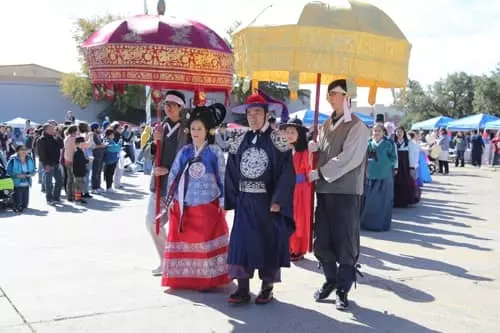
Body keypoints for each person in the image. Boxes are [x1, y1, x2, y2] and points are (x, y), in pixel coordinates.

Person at [225, 94, 295, 305]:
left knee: (268, 244)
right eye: (249, 113)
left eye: (257, 113)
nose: (253, 117)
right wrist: (232, 199)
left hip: (267, 202)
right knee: (241, 244)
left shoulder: (278, 140)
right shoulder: (239, 140)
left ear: (266, 114)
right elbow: (231, 171)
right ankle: (243, 289)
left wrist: (278, 201)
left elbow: (286, 174)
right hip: (245, 200)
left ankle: (267, 288)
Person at [308, 79, 370, 310]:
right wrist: (314, 147)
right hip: (324, 191)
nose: (330, 98)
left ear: (347, 96)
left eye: (335, 93)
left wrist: (322, 172)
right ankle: (330, 280)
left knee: (345, 243)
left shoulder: (357, 126)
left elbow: (349, 158)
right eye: (329, 94)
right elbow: (325, 150)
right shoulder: (325, 124)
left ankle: (343, 288)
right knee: (322, 240)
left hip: (346, 191)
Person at [161, 103, 230, 290]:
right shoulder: (184, 151)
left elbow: (222, 176)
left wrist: (224, 200)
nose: (195, 132)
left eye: (199, 129)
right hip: (185, 203)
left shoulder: (214, 152)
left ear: (208, 131)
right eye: (192, 128)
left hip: (208, 203)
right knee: (186, 240)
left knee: (206, 242)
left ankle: (208, 279)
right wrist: (170, 200)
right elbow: (174, 175)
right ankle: (184, 278)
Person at [145, 90, 188, 276]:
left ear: (180, 107)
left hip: (178, 185)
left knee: (180, 226)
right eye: (166, 104)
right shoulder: (160, 127)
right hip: (159, 183)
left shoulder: (188, 129)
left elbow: (189, 156)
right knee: (151, 222)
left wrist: (170, 170)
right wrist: (155, 142)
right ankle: (165, 259)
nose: (168, 108)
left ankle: (179, 262)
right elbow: (149, 153)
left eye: (172, 104)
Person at [281, 118, 312, 261]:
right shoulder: (283, 150)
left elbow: (309, 171)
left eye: (292, 132)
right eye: (287, 132)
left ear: (299, 134)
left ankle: (297, 248)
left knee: (299, 219)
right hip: (286, 189)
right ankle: (286, 246)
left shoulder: (305, 152)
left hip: (300, 189)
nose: (289, 135)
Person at [361, 124, 397, 231]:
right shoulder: (369, 144)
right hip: (370, 176)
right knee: (369, 202)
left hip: (384, 177)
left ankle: (381, 225)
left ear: (383, 133)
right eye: (375, 131)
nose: (376, 133)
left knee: (383, 202)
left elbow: (393, 158)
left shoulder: (388, 144)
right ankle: (367, 224)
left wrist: (385, 164)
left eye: (379, 131)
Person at [37, 123, 64, 204]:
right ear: (46, 130)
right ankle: (49, 198)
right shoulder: (42, 139)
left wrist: (58, 136)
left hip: (56, 162)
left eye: (53, 128)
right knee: (49, 182)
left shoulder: (54, 137)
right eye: (51, 129)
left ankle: (56, 197)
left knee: (59, 180)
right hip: (48, 163)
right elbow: (41, 153)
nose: (53, 130)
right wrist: (46, 164)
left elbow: (61, 146)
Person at [393, 126, 419, 208]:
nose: (399, 133)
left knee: (406, 182)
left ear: (404, 133)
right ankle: (396, 200)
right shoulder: (393, 143)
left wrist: (412, 166)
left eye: (400, 132)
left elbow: (412, 155)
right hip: (397, 165)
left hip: (405, 165)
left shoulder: (409, 143)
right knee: (396, 182)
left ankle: (405, 201)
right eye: (397, 132)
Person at [6, 145, 36, 212]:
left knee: (25, 205)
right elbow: (8, 171)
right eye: (22, 149)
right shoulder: (13, 159)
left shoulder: (29, 158)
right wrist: (16, 175)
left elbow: (34, 169)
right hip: (17, 183)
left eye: (25, 149)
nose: (24, 151)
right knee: (18, 203)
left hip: (26, 183)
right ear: (18, 151)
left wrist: (32, 173)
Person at [90, 123, 107, 194]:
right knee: (95, 171)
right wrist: (103, 145)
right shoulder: (93, 135)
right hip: (96, 155)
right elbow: (96, 145)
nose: (100, 129)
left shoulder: (98, 135)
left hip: (100, 155)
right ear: (95, 129)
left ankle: (98, 186)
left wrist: (103, 144)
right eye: (98, 128)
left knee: (99, 171)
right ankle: (94, 187)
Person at [73, 137, 89, 204]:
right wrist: (87, 160)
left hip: (81, 171)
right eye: (83, 143)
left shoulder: (80, 150)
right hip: (78, 171)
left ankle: (79, 198)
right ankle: (77, 199)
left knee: (81, 185)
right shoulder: (77, 152)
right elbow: (80, 161)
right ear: (78, 143)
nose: (84, 144)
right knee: (78, 186)